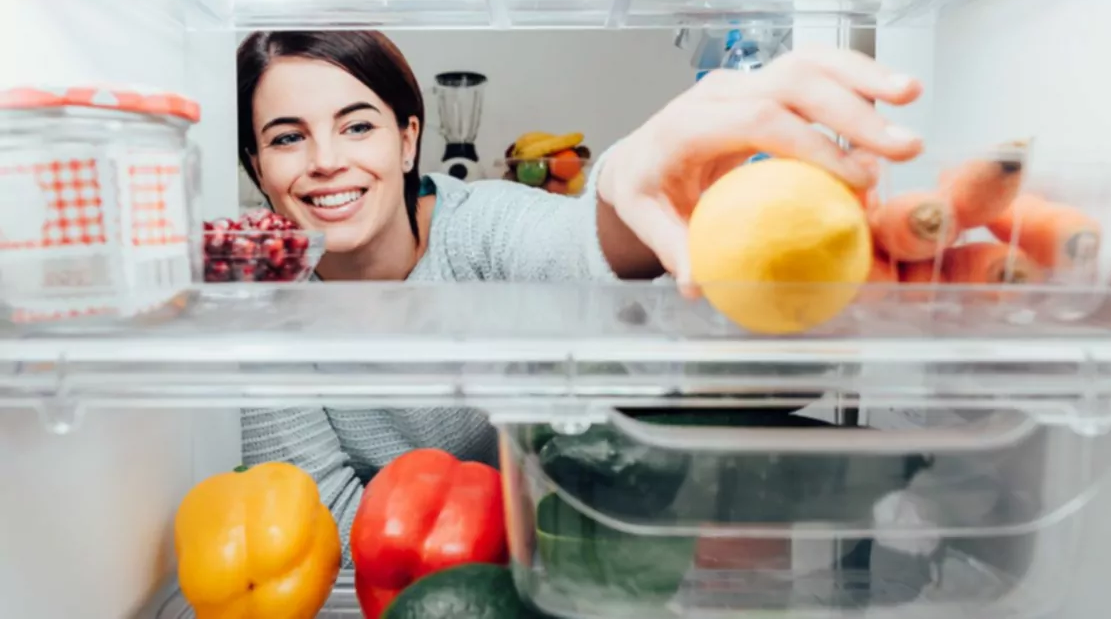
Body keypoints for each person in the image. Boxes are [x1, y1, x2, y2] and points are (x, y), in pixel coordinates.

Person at [236, 30, 924, 565]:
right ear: (259, 170)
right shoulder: (265, 306)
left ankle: (915, 488)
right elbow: (313, 517)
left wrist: (631, 182)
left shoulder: (479, 222)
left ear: (409, 139)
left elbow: (574, 246)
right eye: (288, 137)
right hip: (432, 568)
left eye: (358, 126)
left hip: (572, 525)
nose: (326, 159)